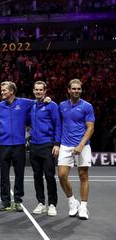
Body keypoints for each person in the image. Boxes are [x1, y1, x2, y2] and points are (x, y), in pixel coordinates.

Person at [0, 81, 45, 212]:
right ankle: (5, 201)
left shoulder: (24, 102)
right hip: (4, 145)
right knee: (4, 175)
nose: (2, 92)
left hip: (19, 145)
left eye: (4, 90)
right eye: (2, 90)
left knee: (19, 174)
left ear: (11, 91)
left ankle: (17, 201)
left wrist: (47, 99)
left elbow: (37, 101)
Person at [58, 79, 95, 220]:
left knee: (83, 176)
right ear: (68, 90)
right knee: (61, 175)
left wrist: (81, 144)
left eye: (78, 89)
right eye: (73, 89)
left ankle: (84, 207)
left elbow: (90, 127)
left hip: (83, 145)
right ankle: (72, 202)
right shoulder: (62, 106)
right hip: (65, 145)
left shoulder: (87, 106)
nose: (76, 91)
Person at [29, 81, 61, 216]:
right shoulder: (32, 106)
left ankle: (52, 204)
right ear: (33, 91)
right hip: (34, 145)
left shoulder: (51, 105)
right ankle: (41, 203)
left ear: (45, 91)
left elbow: (58, 124)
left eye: (41, 90)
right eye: (36, 90)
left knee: (49, 176)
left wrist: (56, 143)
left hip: (47, 145)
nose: (38, 92)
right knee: (37, 176)